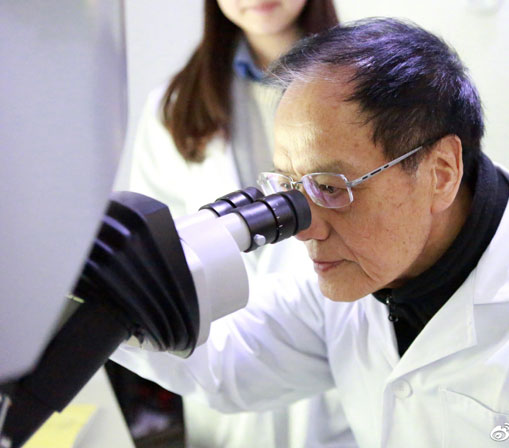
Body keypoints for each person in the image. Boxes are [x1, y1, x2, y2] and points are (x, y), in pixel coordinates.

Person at [112, 18, 509, 447]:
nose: (305, 230)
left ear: (442, 172)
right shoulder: (350, 276)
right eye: (289, 187)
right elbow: (229, 362)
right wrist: (109, 293)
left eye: (330, 187)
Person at [114, 1, 356, 447]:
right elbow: (157, 254)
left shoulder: (362, 90)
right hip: (225, 365)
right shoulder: (175, 107)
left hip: (336, 359)